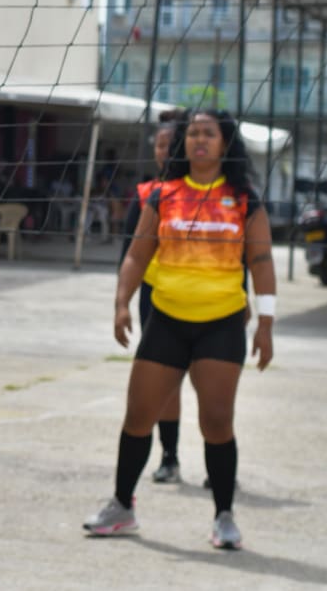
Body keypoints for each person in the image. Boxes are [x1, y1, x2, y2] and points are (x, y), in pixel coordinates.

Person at [84, 108, 276, 550]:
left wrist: (265, 324)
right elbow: (137, 255)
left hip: (221, 323)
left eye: (209, 133)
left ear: (225, 143)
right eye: (193, 134)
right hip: (167, 320)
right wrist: (121, 303)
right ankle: (122, 506)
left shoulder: (244, 199)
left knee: (216, 423)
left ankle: (224, 516)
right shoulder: (163, 195)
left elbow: (262, 262)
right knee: (138, 416)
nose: (199, 140)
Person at [118, 109, 184, 482]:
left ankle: (219, 460)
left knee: (210, 382)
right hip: (155, 299)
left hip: (203, 297)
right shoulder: (147, 194)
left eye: (170, 144)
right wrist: (121, 302)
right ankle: (170, 456)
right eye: (159, 145)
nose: (163, 151)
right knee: (166, 382)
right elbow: (128, 254)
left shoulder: (210, 192)